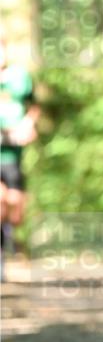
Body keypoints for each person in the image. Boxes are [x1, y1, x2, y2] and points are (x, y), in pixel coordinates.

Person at [0, 42, 40, 270]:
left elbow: (33, 106)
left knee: (15, 209)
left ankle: (10, 234)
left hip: (13, 155)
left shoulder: (19, 77)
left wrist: (27, 124)